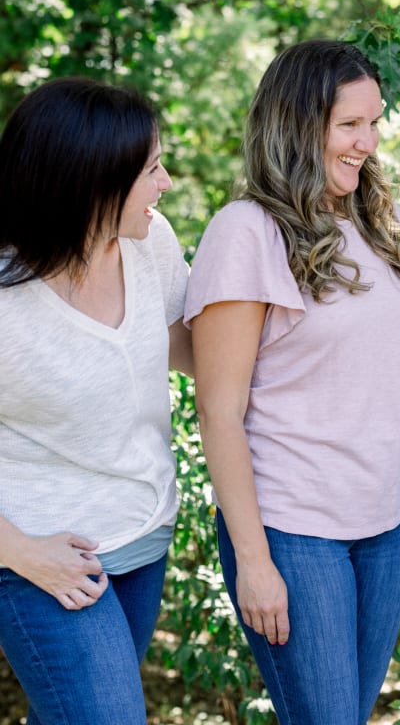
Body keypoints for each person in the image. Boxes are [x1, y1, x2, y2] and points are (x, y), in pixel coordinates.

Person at [184, 39, 400, 725]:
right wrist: (255, 560)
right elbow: (219, 410)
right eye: (349, 125)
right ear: (299, 125)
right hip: (293, 526)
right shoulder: (247, 231)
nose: (368, 142)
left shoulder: (381, 224)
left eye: (375, 122)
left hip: (385, 516)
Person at [0, 76, 192, 724]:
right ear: (91, 181)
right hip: (36, 555)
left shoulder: (149, 243)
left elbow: (190, 349)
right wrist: (23, 554)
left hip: (142, 534)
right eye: (152, 168)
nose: (165, 183)